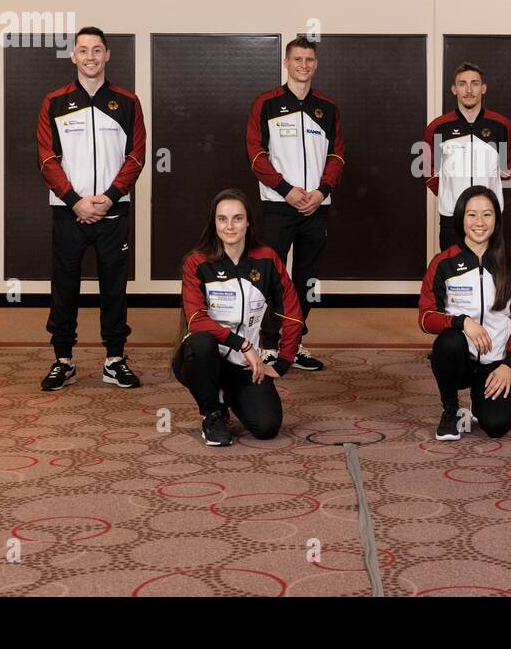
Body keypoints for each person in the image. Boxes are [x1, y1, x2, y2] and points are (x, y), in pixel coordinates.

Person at [37, 26, 147, 391]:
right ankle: (63, 359)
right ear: (73, 56)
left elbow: (136, 156)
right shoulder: (54, 101)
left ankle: (115, 359)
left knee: (114, 287)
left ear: (107, 55)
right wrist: (76, 201)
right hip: (69, 212)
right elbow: (47, 158)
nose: (90, 57)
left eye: (97, 50)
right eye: (83, 51)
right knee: (64, 286)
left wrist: (110, 197)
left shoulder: (128, 101)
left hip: (113, 213)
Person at [171, 189, 302, 445]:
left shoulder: (266, 259)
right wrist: (243, 344)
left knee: (267, 427)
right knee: (201, 342)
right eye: (222, 219)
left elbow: (293, 312)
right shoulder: (197, 262)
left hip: (244, 365)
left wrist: (283, 362)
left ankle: (227, 392)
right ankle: (213, 412)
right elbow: (196, 319)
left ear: (248, 221)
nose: (230, 226)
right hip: (201, 358)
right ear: (214, 223)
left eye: (237, 218)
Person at [246, 36, 345, 372]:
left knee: (307, 278)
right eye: (297, 59)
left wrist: (320, 192)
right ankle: (270, 344)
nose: (304, 65)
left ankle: (295, 341)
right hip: (278, 203)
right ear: (285, 64)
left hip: (317, 206)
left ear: (315, 65)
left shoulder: (328, 108)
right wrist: (286, 189)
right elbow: (256, 155)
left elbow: (337, 155)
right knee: (273, 275)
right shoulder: (267, 103)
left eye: (309, 60)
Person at [418, 186, 511, 441]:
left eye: (487, 215)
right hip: (459, 358)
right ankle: (450, 410)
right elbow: (426, 318)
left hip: (494, 363)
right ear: (460, 218)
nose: (479, 223)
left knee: (497, 426)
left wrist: (508, 365)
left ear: (497, 219)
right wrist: (461, 322)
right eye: (471, 215)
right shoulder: (443, 263)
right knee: (449, 341)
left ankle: (479, 401)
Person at [421, 62, 511, 250]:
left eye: (475, 83)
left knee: (490, 273)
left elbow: (508, 170)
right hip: (451, 216)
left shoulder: (501, 125)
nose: (469, 90)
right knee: (453, 273)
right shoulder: (437, 127)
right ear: (454, 89)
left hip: (489, 217)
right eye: (463, 84)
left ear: (483, 88)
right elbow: (428, 170)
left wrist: (487, 199)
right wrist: (450, 195)